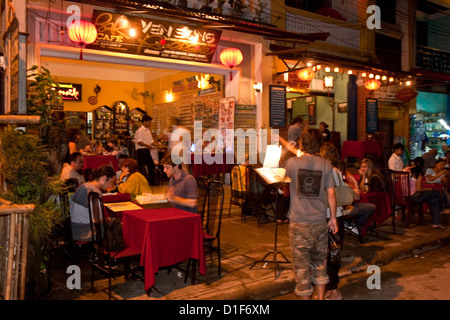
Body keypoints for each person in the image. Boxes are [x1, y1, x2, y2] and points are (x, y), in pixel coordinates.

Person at [284, 128, 338, 300]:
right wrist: (334, 218)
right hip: (319, 221)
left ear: (302, 143)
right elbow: (331, 193)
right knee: (320, 262)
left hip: (299, 222)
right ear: (320, 145)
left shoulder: (292, 163)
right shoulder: (326, 164)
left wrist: (286, 149)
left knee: (301, 267)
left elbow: (280, 181)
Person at [318, 142, 345, 300]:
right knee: (328, 255)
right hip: (334, 216)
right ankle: (329, 288)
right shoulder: (335, 170)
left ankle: (334, 290)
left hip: (332, 217)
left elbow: (330, 196)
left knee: (331, 255)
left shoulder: (330, 171)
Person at [70, 165, 117, 241]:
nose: (111, 186)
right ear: (104, 178)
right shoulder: (94, 193)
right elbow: (99, 221)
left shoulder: (83, 186)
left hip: (74, 229)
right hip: (85, 233)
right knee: (116, 222)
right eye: (111, 182)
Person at [408, 157, 448, 229]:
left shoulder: (405, 169)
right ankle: (441, 210)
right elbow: (419, 189)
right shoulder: (419, 172)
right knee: (437, 192)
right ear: (422, 165)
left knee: (435, 200)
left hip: (405, 195)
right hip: (415, 196)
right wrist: (427, 189)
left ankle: (437, 223)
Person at [134, 115, 164, 185]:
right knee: (142, 167)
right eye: (148, 122)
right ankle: (143, 182)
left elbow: (151, 141)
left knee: (151, 166)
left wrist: (159, 145)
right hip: (141, 151)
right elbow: (139, 141)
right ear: (144, 122)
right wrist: (146, 145)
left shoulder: (148, 131)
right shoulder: (139, 131)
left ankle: (152, 182)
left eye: (150, 122)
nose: (149, 124)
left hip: (147, 150)